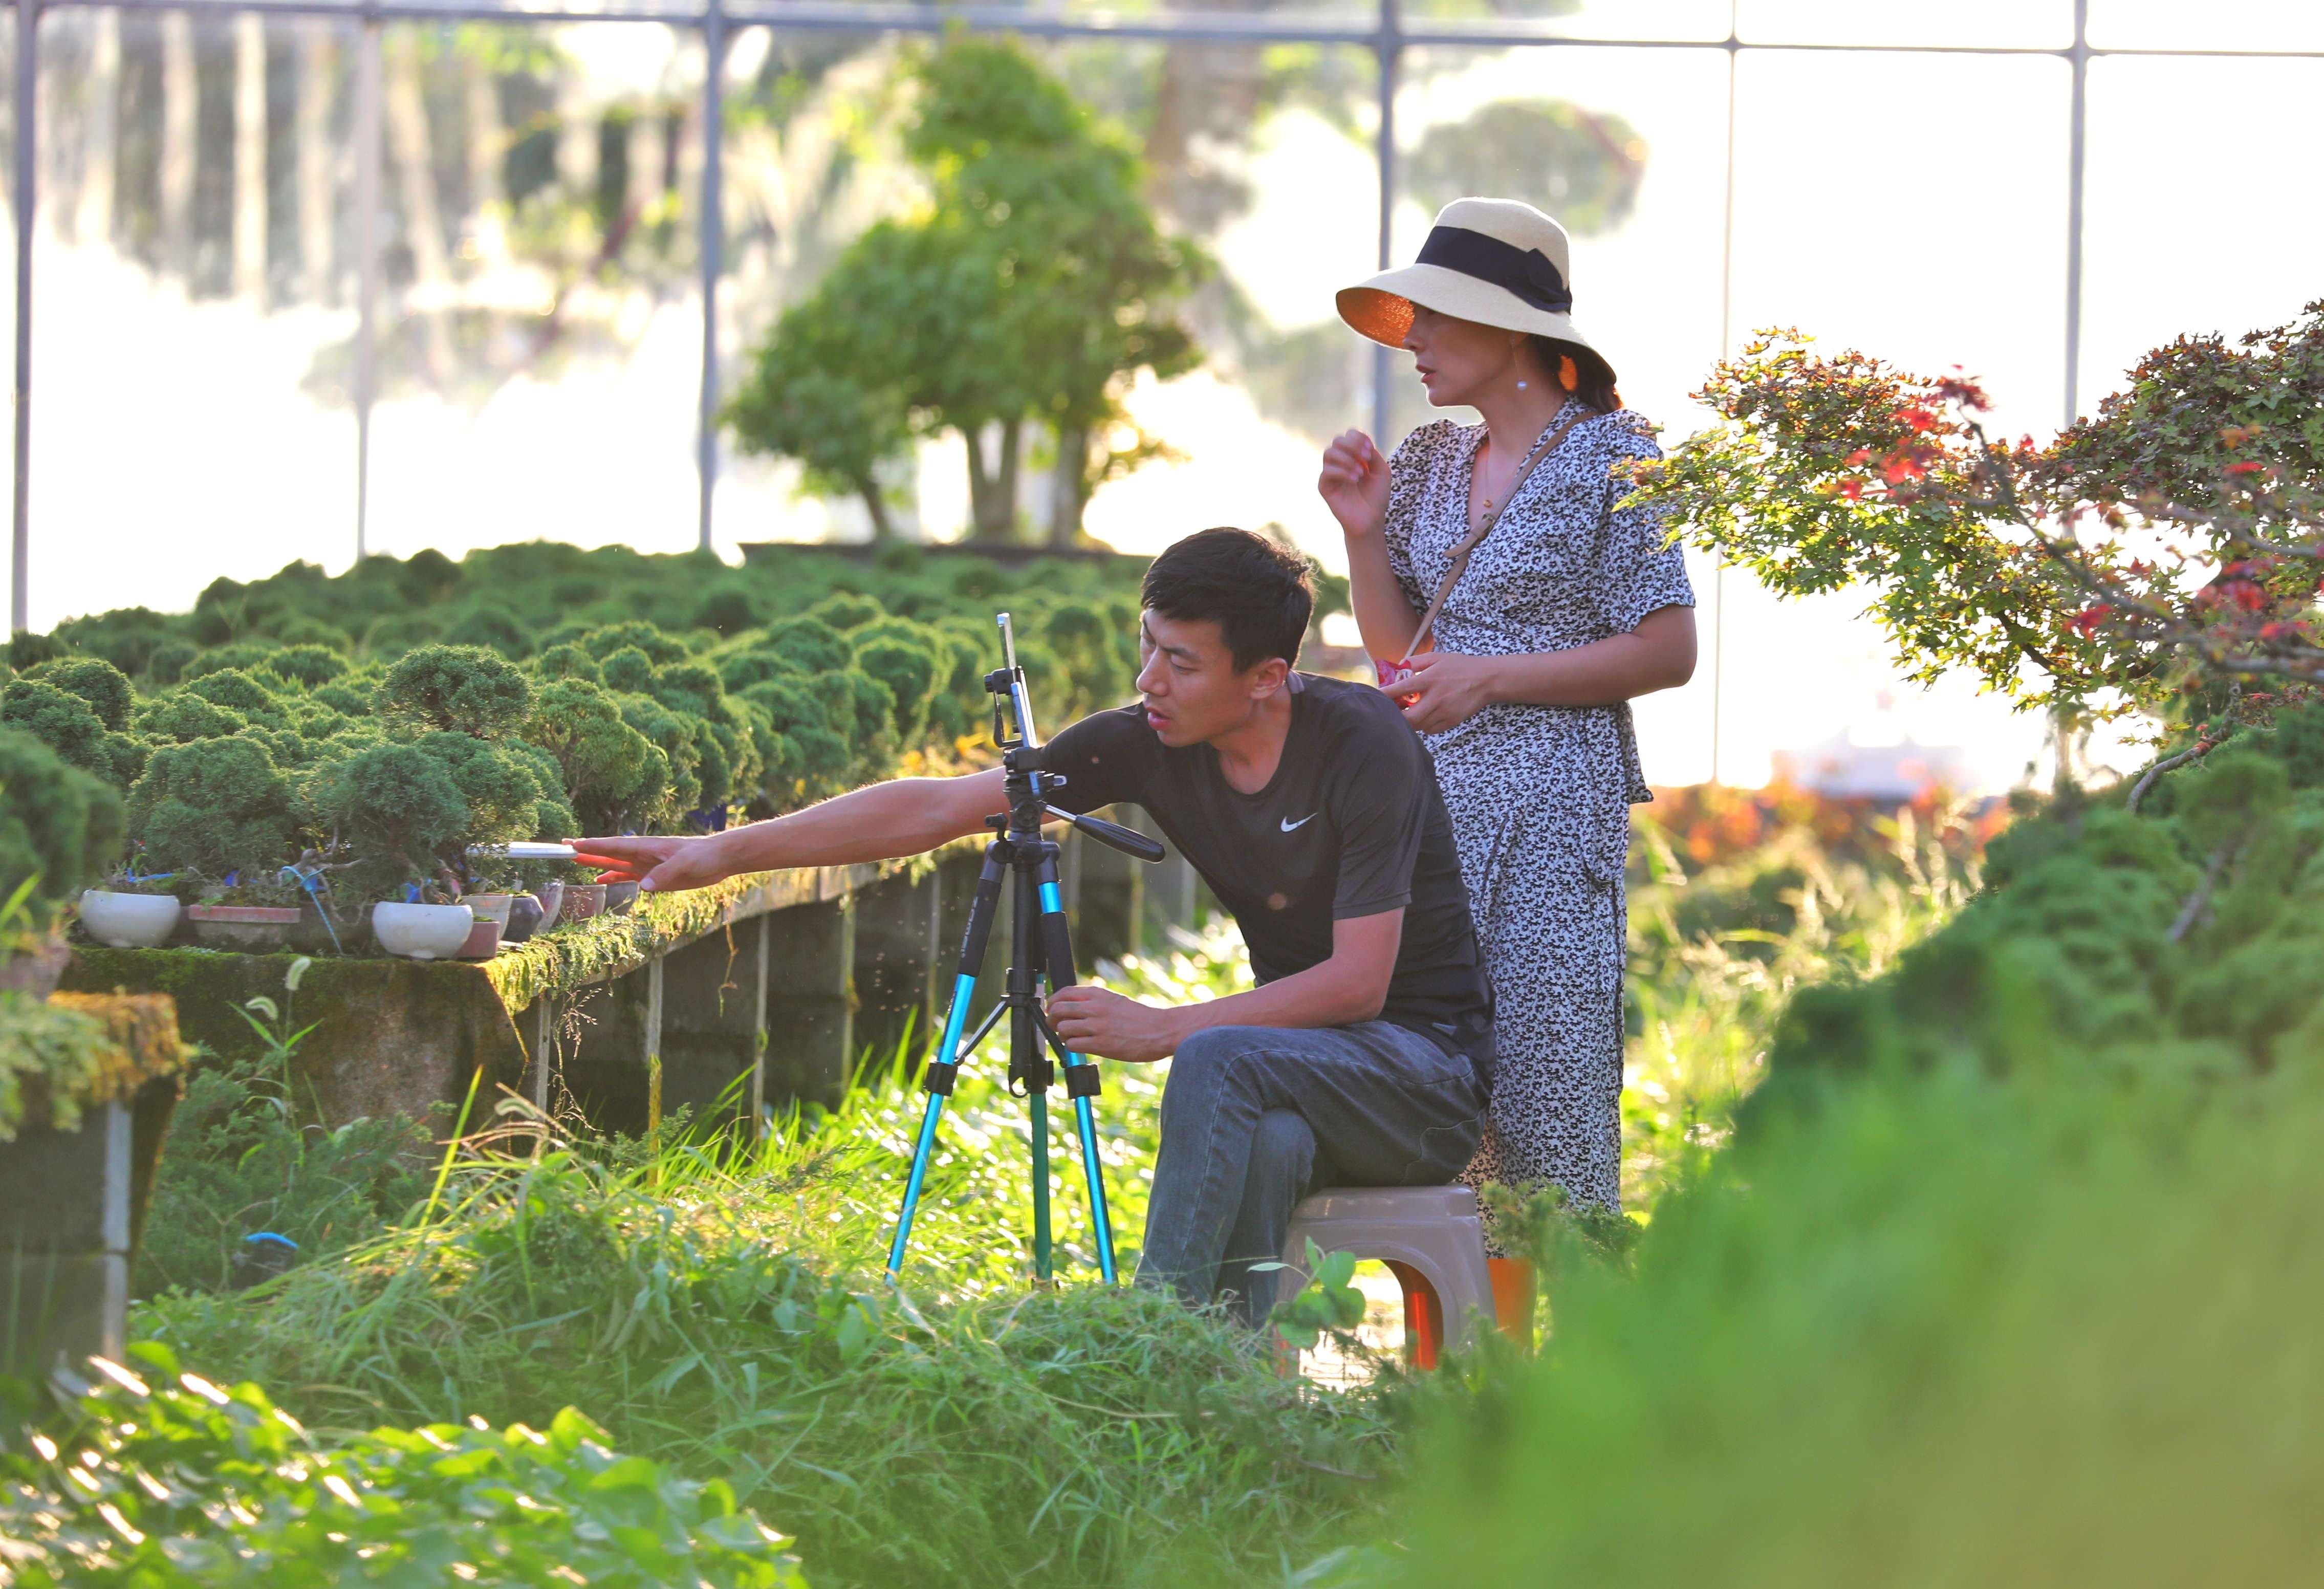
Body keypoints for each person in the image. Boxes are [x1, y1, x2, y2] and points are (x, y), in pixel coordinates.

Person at [572, 529, 1494, 1325]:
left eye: (1181, 661)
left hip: (1421, 1078)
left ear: (1265, 678)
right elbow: (938, 808)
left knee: (1220, 1056)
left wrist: (1167, 1028)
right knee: (1272, 1139)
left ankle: (1148, 1346)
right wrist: (722, 852)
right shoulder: (1149, 738)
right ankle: (1232, 1385)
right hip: (1302, 1086)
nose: (1149, 681)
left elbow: (1358, 983)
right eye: (1148, 648)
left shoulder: (1363, 740)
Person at [1317, 198, 1697, 1224]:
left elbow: (1669, 648)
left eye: (1438, 315)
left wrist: (1490, 676)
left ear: (1512, 327)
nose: (1418, 341)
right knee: (1448, 1102)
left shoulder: (1618, 454)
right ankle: (1461, 1365)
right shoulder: (1434, 461)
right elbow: (1407, 656)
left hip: (1549, 826)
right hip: (1430, 820)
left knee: (1547, 1109)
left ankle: (1564, 1372)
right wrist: (1361, 532)